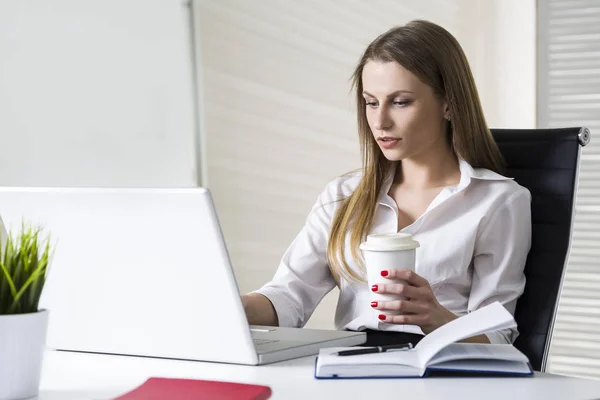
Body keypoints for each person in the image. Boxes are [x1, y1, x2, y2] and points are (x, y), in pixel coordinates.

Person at [241, 20, 532, 347]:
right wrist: (234, 307)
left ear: (448, 103)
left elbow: (498, 336)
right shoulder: (343, 195)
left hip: (441, 375)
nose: (380, 122)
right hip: (351, 368)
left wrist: (435, 318)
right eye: (371, 102)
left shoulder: (497, 201)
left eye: (400, 101)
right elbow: (289, 295)